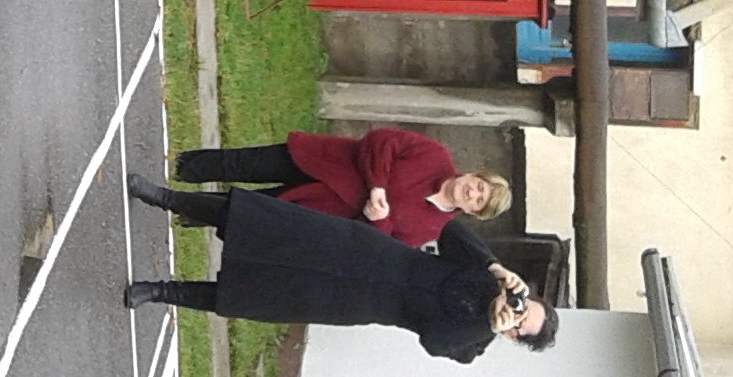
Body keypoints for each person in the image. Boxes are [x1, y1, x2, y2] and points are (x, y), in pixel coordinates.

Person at [118, 179, 557, 363]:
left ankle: (160, 291)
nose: (515, 312)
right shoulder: (487, 274)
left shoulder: (473, 343)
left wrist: (489, 323)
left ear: (515, 338)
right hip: (365, 251)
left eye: (521, 324)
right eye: (524, 305)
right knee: (260, 221)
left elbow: (434, 340)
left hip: (353, 302)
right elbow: (451, 230)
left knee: (256, 296)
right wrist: (495, 266)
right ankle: (166, 198)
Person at [172, 130, 510, 251]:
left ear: (472, 212)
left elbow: (380, 246)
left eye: (479, 201)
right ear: (474, 174)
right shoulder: (435, 155)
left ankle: (176, 206)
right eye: (479, 186)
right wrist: (377, 184)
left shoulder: (430, 229)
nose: (472, 193)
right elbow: (382, 141)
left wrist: (378, 218)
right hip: (323, 161)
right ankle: (179, 166)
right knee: (244, 164)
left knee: (243, 209)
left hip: (321, 208)